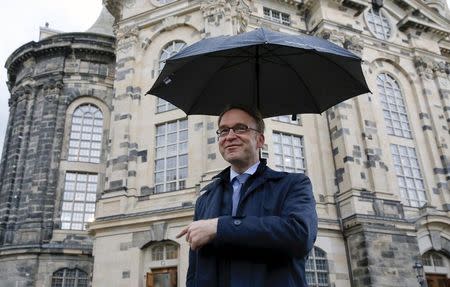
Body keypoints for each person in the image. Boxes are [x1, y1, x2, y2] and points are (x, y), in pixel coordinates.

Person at [177, 105, 318, 287]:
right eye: (223, 131)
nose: (229, 136)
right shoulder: (205, 199)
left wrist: (220, 227)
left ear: (260, 140)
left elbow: (301, 235)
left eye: (240, 128)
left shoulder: (293, 184)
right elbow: (194, 273)